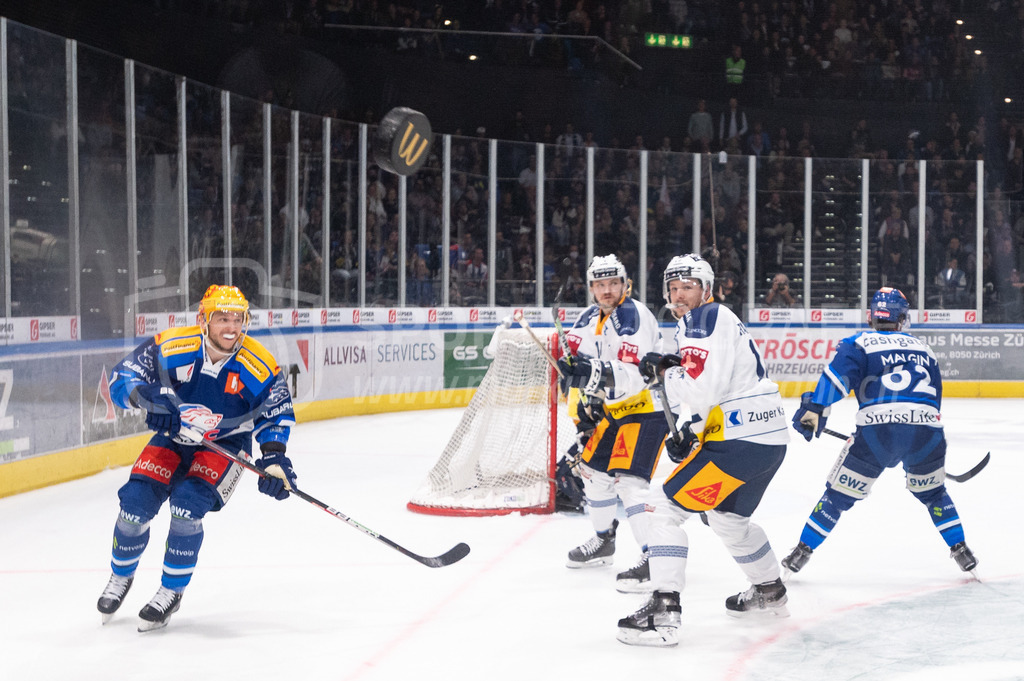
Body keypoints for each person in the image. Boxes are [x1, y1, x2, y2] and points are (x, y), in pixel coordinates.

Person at [96, 285, 297, 631]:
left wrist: (274, 458)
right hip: (174, 438)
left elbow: (275, 412)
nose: (231, 328)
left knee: (187, 507)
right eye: (222, 318)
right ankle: (120, 576)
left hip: (227, 446)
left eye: (237, 319)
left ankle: (171, 591)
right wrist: (147, 397)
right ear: (203, 320)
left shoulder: (258, 363)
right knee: (134, 504)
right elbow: (122, 377)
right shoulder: (173, 345)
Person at [617, 253, 790, 647]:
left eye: (688, 287)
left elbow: (702, 390)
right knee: (729, 521)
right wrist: (691, 429)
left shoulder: (705, 318)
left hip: (739, 440)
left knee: (663, 510)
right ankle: (769, 592)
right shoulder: (713, 321)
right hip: (768, 441)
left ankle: (663, 614)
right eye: (673, 288)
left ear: (707, 289)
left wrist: (670, 377)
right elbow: (714, 385)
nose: (679, 296)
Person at [781, 287, 979, 578]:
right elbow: (933, 400)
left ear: (871, 316)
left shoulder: (859, 343)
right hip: (927, 433)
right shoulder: (924, 348)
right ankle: (961, 549)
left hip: (877, 435)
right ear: (902, 318)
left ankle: (802, 552)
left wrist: (815, 409)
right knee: (934, 494)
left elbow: (834, 383)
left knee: (837, 496)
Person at [557, 255, 670, 594]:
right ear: (591, 288)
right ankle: (604, 540)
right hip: (615, 412)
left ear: (625, 285)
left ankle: (656, 558)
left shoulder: (632, 316)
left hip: (647, 408)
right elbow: (574, 360)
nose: (607, 291)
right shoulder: (589, 317)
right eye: (600, 285)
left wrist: (594, 375)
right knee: (592, 474)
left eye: (613, 284)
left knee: (630, 484)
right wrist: (581, 395)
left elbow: (636, 375)